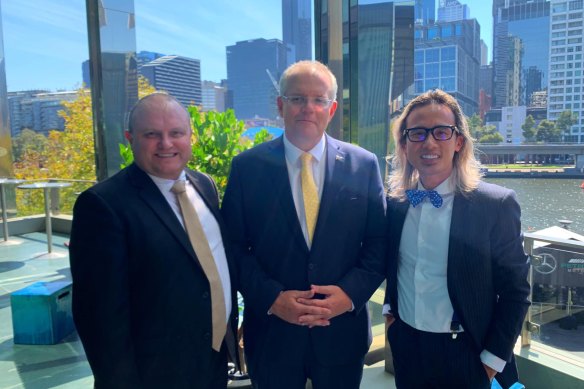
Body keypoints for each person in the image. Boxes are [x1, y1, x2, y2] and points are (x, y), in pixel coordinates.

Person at [221, 60, 386, 388]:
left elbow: (379, 244)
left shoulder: (363, 165)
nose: (307, 108)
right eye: (297, 99)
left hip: (342, 334)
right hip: (272, 336)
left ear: (332, 108)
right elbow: (232, 249)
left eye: (318, 99)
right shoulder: (247, 168)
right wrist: (272, 299)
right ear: (281, 105)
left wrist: (348, 295)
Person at [69, 93, 238, 388]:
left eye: (176, 133)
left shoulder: (204, 185)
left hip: (211, 360)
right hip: (153, 374)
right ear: (130, 138)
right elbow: (98, 317)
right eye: (152, 134)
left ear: (190, 137)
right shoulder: (102, 205)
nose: (166, 144)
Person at [384, 89, 530, 388]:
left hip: (468, 353)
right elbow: (394, 266)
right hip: (407, 347)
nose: (429, 142)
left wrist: (491, 361)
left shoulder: (495, 205)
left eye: (441, 132)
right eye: (417, 133)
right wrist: (389, 312)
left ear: (459, 141)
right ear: (404, 144)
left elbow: (516, 291)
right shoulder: (396, 204)